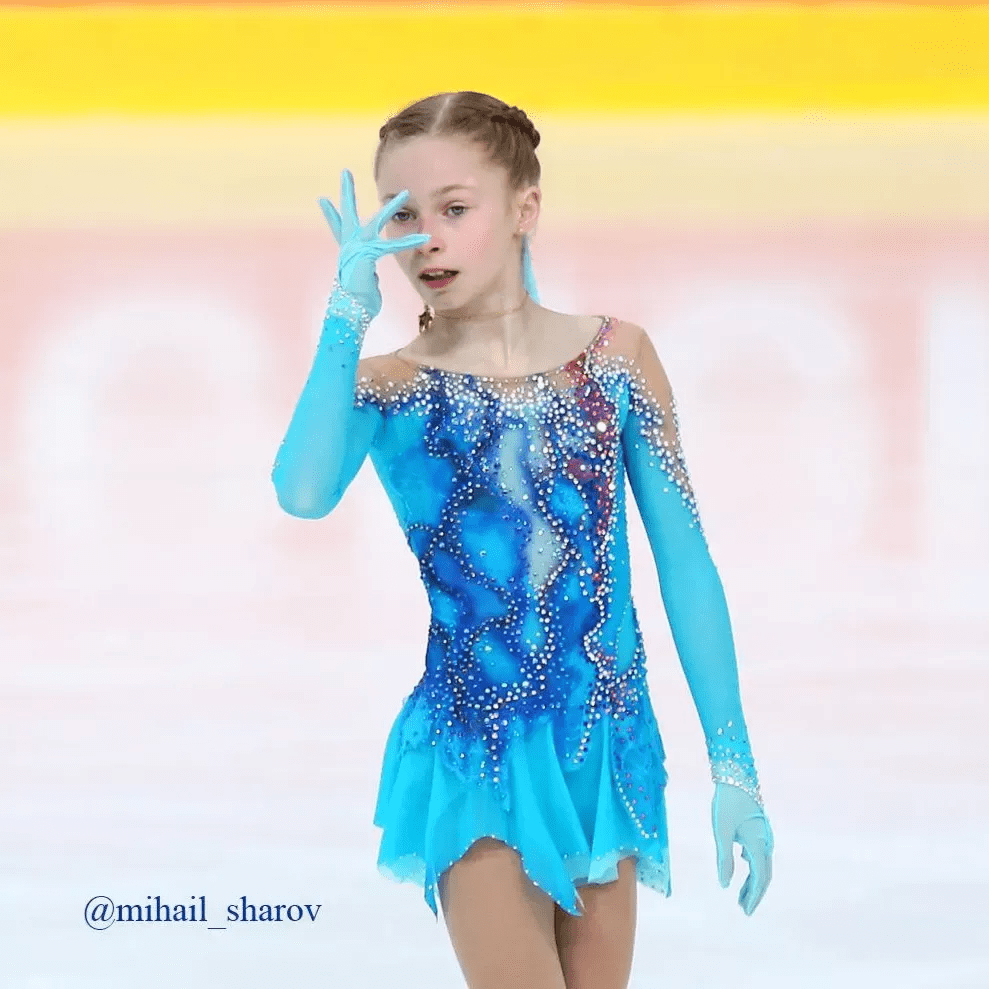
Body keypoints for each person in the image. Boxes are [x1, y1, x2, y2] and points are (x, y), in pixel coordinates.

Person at [271, 91, 774, 989]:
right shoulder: (389, 385)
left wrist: (733, 768)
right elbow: (302, 491)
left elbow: (686, 564)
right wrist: (346, 314)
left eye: (454, 210)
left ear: (523, 209)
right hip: (475, 750)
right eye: (401, 215)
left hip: (605, 747)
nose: (424, 241)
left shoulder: (616, 358)